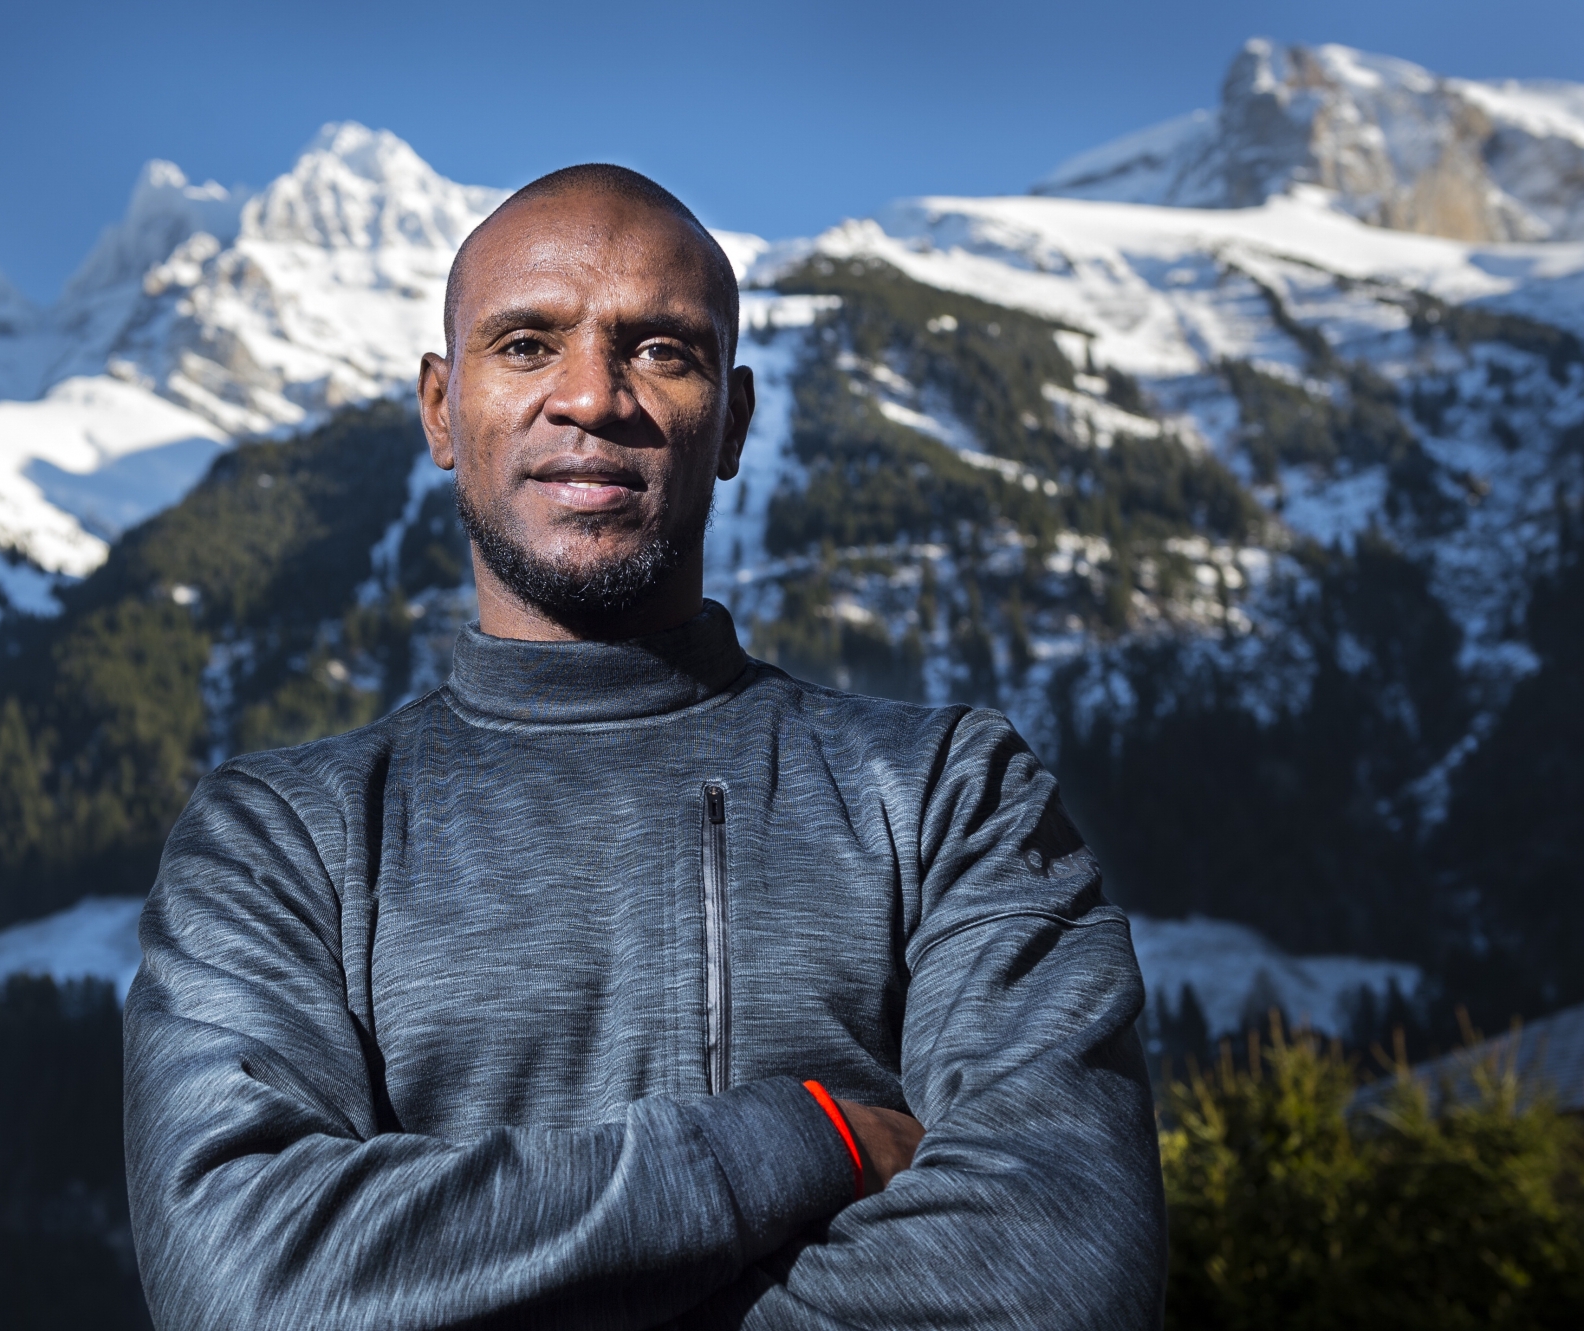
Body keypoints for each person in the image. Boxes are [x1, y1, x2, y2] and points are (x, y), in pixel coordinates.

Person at [123, 164, 1167, 1329]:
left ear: (731, 420)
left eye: (660, 350)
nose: (591, 396)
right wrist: (794, 1139)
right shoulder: (274, 840)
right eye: (524, 344)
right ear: (437, 408)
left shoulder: (945, 794)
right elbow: (248, 1283)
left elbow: (1061, 1269)